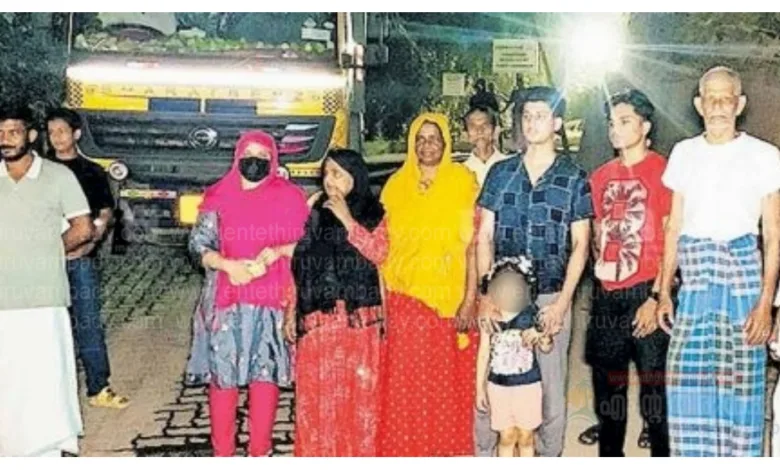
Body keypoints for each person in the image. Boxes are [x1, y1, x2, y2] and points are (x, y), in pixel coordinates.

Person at [656, 66, 780, 456]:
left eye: (726, 99)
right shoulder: (684, 153)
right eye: (711, 99)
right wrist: (664, 292)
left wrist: (766, 304)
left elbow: (773, 235)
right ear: (699, 104)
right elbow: (674, 227)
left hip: (743, 283)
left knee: (740, 389)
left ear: (739, 104)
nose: (718, 107)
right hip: (694, 284)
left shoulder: (765, 156)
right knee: (685, 383)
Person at [477, 86, 593, 457]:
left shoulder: (574, 178)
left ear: (557, 123)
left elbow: (581, 245)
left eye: (540, 116)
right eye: (526, 116)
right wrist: (484, 296)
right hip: (502, 298)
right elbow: (484, 236)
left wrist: (562, 304)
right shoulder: (501, 173)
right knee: (494, 380)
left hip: (550, 296)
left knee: (551, 392)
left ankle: (547, 456)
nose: (531, 123)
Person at [186, 131, 308, 457]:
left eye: (263, 156)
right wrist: (226, 264)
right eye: (249, 154)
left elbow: (308, 244)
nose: (255, 161)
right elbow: (198, 244)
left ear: (274, 160)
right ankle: (223, 454)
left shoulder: (290, 197)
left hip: (272, 301)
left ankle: (260, 451)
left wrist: (279, 251)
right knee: (223, 377)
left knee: (264, 375)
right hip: (227, 300)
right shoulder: (218, 196)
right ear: (237, 157)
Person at [371, 112, 479, 456]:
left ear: (446, 143)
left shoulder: (463, 182)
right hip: (405, 300)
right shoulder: (395, 186)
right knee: (406, 385)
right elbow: (382, 250)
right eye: (420, 138)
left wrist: (470, 299)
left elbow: (475, 245)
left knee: (447, 384)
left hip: (450, 300)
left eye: (434, 138)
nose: (427, 145)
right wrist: (383, 305)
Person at [0, 105, 94, 456]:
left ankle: (45, 450)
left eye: (13, 132)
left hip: (44, 298)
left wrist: (47, 251)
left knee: (43, 379)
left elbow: (83, 228)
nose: (5, 140)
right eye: (0, 133)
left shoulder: (57, 176)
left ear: (30, 135)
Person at [584, 89, 671, 457]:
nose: (615, 129)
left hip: (646, 292)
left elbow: (671, 238)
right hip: (608, 295)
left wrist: (657, 296)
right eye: (611, 123)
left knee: (655, 394)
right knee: (608, 394)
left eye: (624, 121)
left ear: (645, 126)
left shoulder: (665, 172)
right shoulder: (600, 176)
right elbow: (597, 236)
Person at [288, 149, 386, 456]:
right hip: (319, 322)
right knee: (319, 402)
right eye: (326, 174)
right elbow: (299, 263)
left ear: (355, 177)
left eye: (338, 174)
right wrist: (290, 310)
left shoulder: (374, 212)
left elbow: (380, 253)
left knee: (359, 402)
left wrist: (348, 221)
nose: (330, 181)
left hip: (358, 324)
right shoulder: (315, 210)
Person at [46, 108, 129, 409]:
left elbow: (104, 213)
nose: (56, 138)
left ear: (76, 134)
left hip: (81, 258)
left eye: (62, 131)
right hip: (45, 261)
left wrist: (89, 241)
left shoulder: (91, 171)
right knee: (49, 326)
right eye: (51, 132)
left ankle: (98, 387)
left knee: (88, 322)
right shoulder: (40, 170)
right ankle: (51, 391)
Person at [476, 256, 551, 457]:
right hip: (498, 387)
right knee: (506, 436)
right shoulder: (489, 319)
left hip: (528, 385)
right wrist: (479, 389)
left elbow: (546, 347)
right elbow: (483, 353)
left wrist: (541, 335)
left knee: (526, 436)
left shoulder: (531, 315)